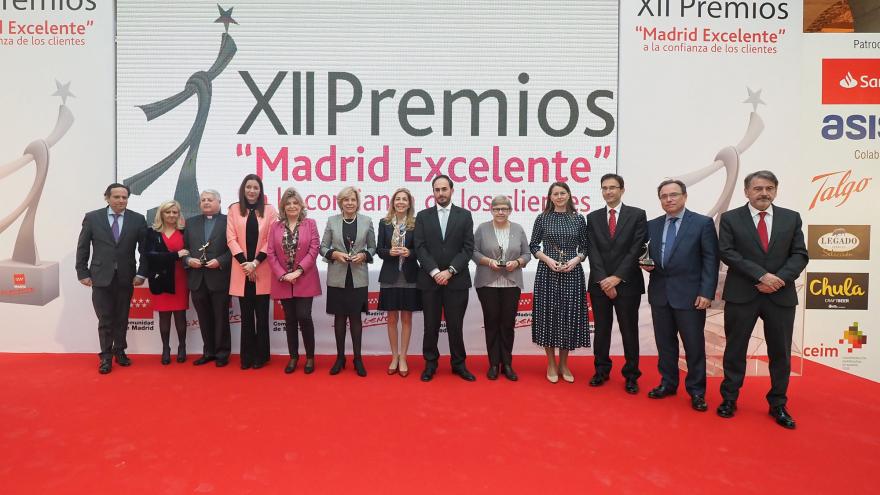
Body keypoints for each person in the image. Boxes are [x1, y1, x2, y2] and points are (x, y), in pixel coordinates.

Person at [717, 171, 809, 429]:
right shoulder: (731, 218)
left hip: (779, 295)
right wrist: (761, 275)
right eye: (757, 188)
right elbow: (727, 252)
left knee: (780, 353)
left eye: (769, 188)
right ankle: (729, 399)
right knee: (735, 351)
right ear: (746, 191)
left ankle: (778, 403)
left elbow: (800, 255)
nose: (763, 193)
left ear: (776, 190)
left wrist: (777, 279)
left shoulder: (791, 218)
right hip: (741, 294)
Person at [642, 179, 719, 412]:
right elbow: (644, 252)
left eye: (674, 195)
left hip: (691, 296)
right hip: (660, 293)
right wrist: (644, 263)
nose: (669, 200)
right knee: (665, 344)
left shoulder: (702, 223)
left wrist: (706, 292)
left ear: (684, 196)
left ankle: (696, 391)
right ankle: (668, 383)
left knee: (694, 346)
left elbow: (711, 260)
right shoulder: (652, 225)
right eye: (664, 196)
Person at [75, 183, 148, 374]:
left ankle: (120, 351)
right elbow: (83, 247)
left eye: (124, 197)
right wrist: (82, 272)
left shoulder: (138, 220)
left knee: (122, 317)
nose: (121, 201)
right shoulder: (92, 218)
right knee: (105, 318)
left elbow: (145, 250)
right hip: (100, 277)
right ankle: (106, 357)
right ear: (107, 198)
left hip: (126, 276)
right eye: (117, 197)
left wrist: (141, 273)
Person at [585, 174, 648, 394]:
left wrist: (617, 277)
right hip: (599, 284)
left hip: (627, 284)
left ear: (622, 189)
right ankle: (600, 371)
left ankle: (631, 375)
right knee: (601, 330)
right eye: (604, 188)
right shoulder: (592, 217)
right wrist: (604, 279)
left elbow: (636, 249)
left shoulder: (637, 215)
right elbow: (592, 250)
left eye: (613, 187)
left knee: (629, 331)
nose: (608, 192)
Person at [414, 175, 476, 382]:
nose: (440, 193)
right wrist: (434, 272)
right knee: (430, 325)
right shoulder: (422, 216)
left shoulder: (465, 215)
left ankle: (459, 364)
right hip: (429, 281)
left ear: (451, 190)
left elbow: (467, 249)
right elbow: (420, 247)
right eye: (436, 190)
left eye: (444, 189)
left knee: (455, 326)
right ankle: (430, 364)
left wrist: (449, 271)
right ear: (433, 192)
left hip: (456, 281)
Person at [529, 182, 590, 384]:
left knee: (569, 317)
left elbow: (585, 247)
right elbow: (533, 245)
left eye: (562, 193)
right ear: (550, 197)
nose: (559, 196)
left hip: (573, 273)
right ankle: (551, 363)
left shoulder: (579, 219)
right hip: (548, 273)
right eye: (555, 193)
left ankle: (564, 363)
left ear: (569, 195)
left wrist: (575, 261)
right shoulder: (543, 218)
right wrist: (547, 259)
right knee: (549, 316)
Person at [472, 195, 530, 381]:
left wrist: (518, 262)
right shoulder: (482, 229)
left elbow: (527, 254)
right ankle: (493, 364)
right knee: (492, 323)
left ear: (510, 210)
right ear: (491, 210)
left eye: (504, 208)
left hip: (511, 283)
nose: (500, 212)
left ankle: (507, 364)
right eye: (497, 209)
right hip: (487, 283)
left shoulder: (518, 229)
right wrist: (489, 261)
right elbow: (473, 252)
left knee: (507, 324)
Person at [320, 186, 376, 377]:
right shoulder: (332, 221)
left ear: (357, 202)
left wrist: (364, 255)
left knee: (356, 319)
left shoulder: (367, 221)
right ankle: (340, 358)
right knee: (339, 319)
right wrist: (334, 254)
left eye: (353, 200)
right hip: (337, 276)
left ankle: (358, 359)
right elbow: (323, 247)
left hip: (358, 277)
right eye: (346, 200)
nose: (350, 203)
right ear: (340, 202)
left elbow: (373, 247)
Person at [267, 187, 321, 375]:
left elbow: (314, 249)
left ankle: (310, 357)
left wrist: (297, 271)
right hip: (283, 281)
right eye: (288, 203)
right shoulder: (275, 226)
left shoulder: (310, 223)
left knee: (304, 317)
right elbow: (271, 253)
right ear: (283, 206)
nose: (291, 206)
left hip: (304, 279)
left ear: (300, 205)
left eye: (295, 203)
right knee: (290, 320)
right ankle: (293, 357)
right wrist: (282, 274)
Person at [227, 174, 277, 370]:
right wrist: (245, 264)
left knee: (262, 317)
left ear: (260, 190)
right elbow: (231, 238)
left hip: (261, 269)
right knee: (246, 317)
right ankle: (246, 357)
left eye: (255, 187)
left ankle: (261, 356)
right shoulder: (233, 209)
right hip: (241, 271)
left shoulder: (270, 211)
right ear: (243, 188)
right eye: (248, 187)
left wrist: (254, 263)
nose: (252, 191)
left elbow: (270, 240)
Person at [184, 189, 232, 367]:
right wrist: (188, 260)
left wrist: (220, 261)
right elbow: (184, 248)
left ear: (219, 202)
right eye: (203, 200)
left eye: (210, 199)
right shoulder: (190, 223)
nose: (206, 202)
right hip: (197, 278)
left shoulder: (229, 221)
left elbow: (234, 249)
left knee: (221, 318)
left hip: (219, 277)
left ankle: (222, 354)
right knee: (203, 319)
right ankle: (208, 352)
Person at [376, 187, 421, 377]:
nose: (401, 202)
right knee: (392, 318)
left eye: (404, 199)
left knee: (407, 318)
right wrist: (389, 252)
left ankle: (403, 356)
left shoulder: (416, 224)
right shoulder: (384, 223)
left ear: (409, 203)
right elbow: (379, 249)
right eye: (397, 199)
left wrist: (410, 253)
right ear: (393, 203)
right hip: (390, 275)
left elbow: (421, 250)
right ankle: (394, 356)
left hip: (410, 275)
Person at [144, 200, 190, 365]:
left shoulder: (185, 232)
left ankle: (182, 347)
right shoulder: (152, 232)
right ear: (161, 214)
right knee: (164, 316)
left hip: (180, 278)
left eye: (175, 212)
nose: (171, 215)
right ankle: (165, 348)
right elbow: (150, 256)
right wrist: (175, 255)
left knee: (180, 315)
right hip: (161, 279)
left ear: (179, 214)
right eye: (168, 212)